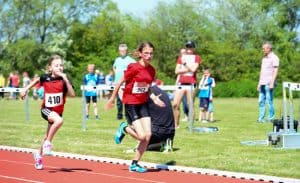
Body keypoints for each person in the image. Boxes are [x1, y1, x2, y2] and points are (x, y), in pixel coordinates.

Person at [106, 42, 165, 173]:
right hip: (131, 103)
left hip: (143, 103)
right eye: (146, 53)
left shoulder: (151, 70)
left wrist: (154, 98)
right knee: (141, 136)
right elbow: (120, 81)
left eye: (151, 53)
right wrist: (112, 98)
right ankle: (124, 128)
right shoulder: (133, 67)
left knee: (148, 135)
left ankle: (134, 164)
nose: (149, 56)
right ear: (140, 54)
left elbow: (147, 86)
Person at [20, 54, 75, 170]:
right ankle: (48, 144)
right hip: (46, 109)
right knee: (59, 121)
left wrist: (65, 78)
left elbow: (72, 94)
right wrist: (25, 89)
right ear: (50, 68)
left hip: (57, 111)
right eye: (56, 65)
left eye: (61, 65)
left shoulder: (65, 80)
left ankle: (38, 155)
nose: (59, 67)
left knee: (47, 135)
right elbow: (36, 80)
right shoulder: (45, 77)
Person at [173, 41, 201, 128]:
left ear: (193, 48)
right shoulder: (181, 58)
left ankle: (191, 126)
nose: (189, 49)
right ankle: (176, 125)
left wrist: (185, 64)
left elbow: (194, 69)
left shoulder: (197, 57)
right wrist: (189, 68)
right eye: (188, 47)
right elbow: (177, 71)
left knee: (190, 105)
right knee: (175, 104)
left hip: (192, 83)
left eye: (191, 47)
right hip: (181, 83)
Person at [257, 42, 279, 123]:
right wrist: (259, 83)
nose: (263, 50)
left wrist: (272, 83)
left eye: (264, 48)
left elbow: (275, 71)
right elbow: (262, 72)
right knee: (260, 101)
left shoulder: (274, 58)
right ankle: (261, 118)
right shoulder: (264, 59)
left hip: (269, 83)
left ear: (269, 49)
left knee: (269, 101)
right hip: (262, 83)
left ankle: (271, 118)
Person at [112, 44, 136, 120]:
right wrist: (116, 73)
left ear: (126, 51)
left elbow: (136, 68)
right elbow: (114, 67)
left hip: (126, 82)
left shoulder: (130, 60)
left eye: (124, 51)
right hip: (117, 83)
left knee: (127, 99)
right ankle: (119, 115)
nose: (122, 52)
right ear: (119, 51)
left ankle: (127, 115)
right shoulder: (117, 59)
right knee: (119, 101)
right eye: (121, 51)